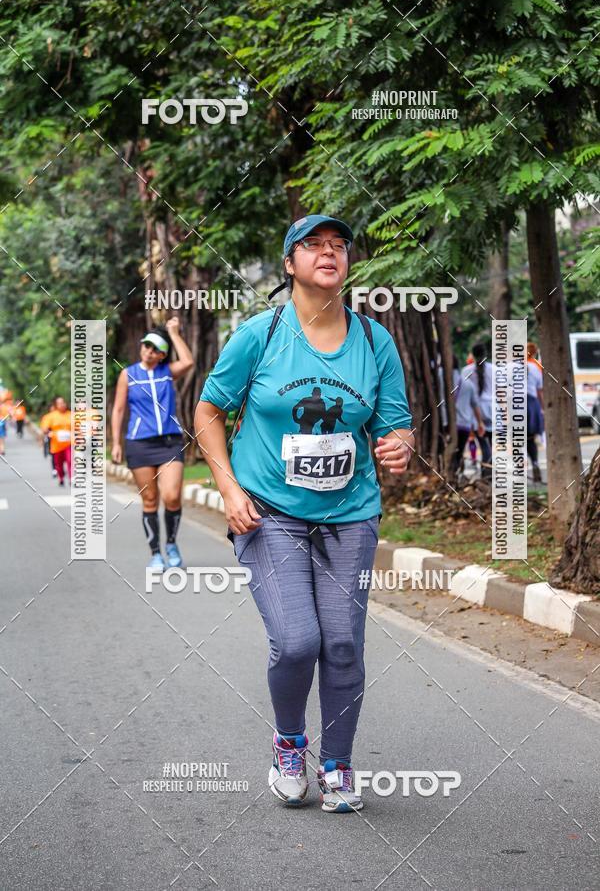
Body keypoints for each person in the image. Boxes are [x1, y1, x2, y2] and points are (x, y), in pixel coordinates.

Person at [195, 214, 414, 813]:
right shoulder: (259, 336)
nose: (329, 253)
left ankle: (338, 766)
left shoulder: (374, 341)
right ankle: (289, 743)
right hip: (269, 513)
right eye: (313, 245)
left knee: (342, 643)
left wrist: (398, 444)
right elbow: (209, 410)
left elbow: (394, 422)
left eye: (338, 246)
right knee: (297, 641)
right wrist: (228, 486)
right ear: (289, 264)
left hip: (352, 514)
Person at [111, 317, 194, 570]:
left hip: (169, 442)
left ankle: (171, 543)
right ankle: (156, 554)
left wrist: (174, 332)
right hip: (139, 444)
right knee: (149, 500)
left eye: (155, 348)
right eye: (146, 345)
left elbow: (189, 361)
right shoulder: (128, 374)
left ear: (162, 355)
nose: (149, 351)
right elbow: (118, 410)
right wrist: (116, 443)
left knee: (171, 497)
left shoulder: (167, 372)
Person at [462, 342, 495, 481]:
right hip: (492, 409)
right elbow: (500, 392)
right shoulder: (494, 369)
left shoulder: (466, 371)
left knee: (482, 443)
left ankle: (487, 473)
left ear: (473, 355)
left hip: (475, 411)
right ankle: (489, 472)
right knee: (492, 444)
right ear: (485, 354)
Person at [526, 341, 544, 483]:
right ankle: (535, 464)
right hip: (531, 404)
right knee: (531, 438)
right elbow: (540, 391)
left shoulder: (509, 368)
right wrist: (542, 408)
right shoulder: (535, 366)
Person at [44, 397, 72, 486]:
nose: (62, 405)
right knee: (59, 464)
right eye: (59, 403)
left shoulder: (71, 415)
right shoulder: (51, 416)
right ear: (56, 405)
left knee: (70, 460)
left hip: (69, 443)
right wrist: (48, 432)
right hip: (56, 445)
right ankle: (61, 478)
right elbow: (45, 428)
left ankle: (71, 478)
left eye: (63, 402)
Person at [40, 398, 58, 476]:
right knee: (53, 454)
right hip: (51, 438)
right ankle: (54, 469)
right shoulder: (46, 417)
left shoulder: (60, 416)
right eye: (52, 409)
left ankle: (59, 468)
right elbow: (44, 429)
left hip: (61, 439)